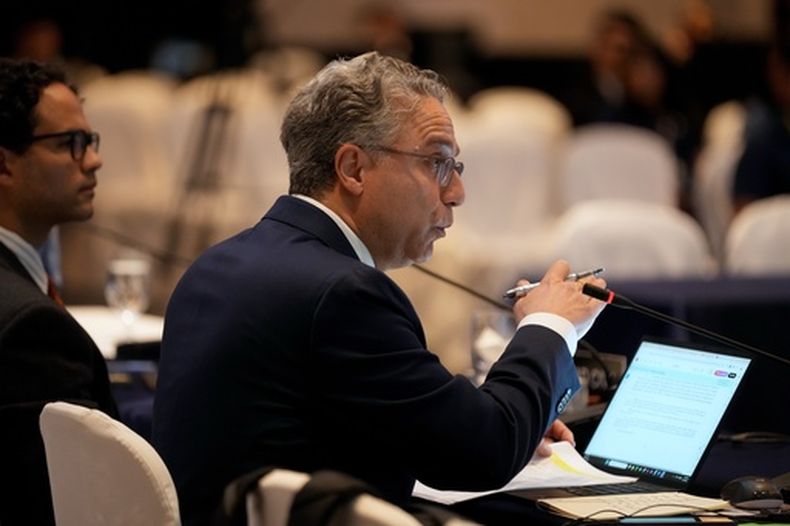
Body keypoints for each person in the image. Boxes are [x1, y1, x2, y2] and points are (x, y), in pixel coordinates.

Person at [153, 51, 606, 525]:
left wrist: (509, 416)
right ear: (353, 169)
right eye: (437, 163)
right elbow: (484, 451)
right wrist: (549, 324)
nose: (456, 193)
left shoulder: (214, 264)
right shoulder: (344, 294)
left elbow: (345, 424)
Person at [0, 58, 116, 526]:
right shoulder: (30, 328)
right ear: (4, 163)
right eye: (70, 143)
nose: (93, 160)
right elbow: (79, 499)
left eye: (89, 141)